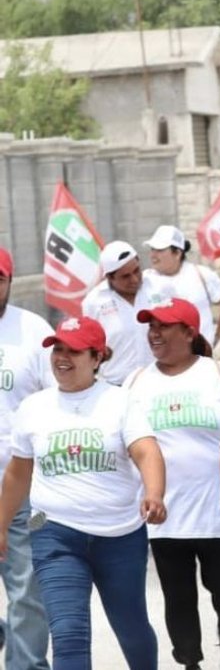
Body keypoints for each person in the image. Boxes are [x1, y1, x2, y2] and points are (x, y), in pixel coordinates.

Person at [1, 315, 166, 669]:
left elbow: (146, 451)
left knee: (131, 627)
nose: (62, 357)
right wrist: (0, 525)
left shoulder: (120, 401)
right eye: (58, 349)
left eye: (74, 351)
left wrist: (154, 493)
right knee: (68, 634)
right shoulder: (34, 408)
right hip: (54, 533)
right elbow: (18, 472)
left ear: (97, 357)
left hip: (119, 535)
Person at [126, 299, 220, 670]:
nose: (154, 333)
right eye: (151, 327)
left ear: (189, 332)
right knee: (178, 596)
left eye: (163, 326)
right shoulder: (136, 382)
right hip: (165, 513)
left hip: (218, 509)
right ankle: (190, 661)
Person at [0, 247, 53, 669]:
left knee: (27, 590)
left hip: (21, 485)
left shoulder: (33, 330)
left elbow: (58, 399)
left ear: (10, 282)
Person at [143, 225, 220, 345]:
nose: (153, 255)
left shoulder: (201, 274)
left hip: (200, 354)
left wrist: (216, 338)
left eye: (159, 250)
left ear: (177, 253)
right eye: (152, 249)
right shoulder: (145, 280)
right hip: (161, 354)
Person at [81, 241, 155, 385]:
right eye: (126, 276)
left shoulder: (157, 287)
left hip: (156, 382)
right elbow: (89, 348)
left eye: (136, 271)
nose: (134, 279)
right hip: (115, 386)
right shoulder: (94, 302)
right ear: (109, 277)